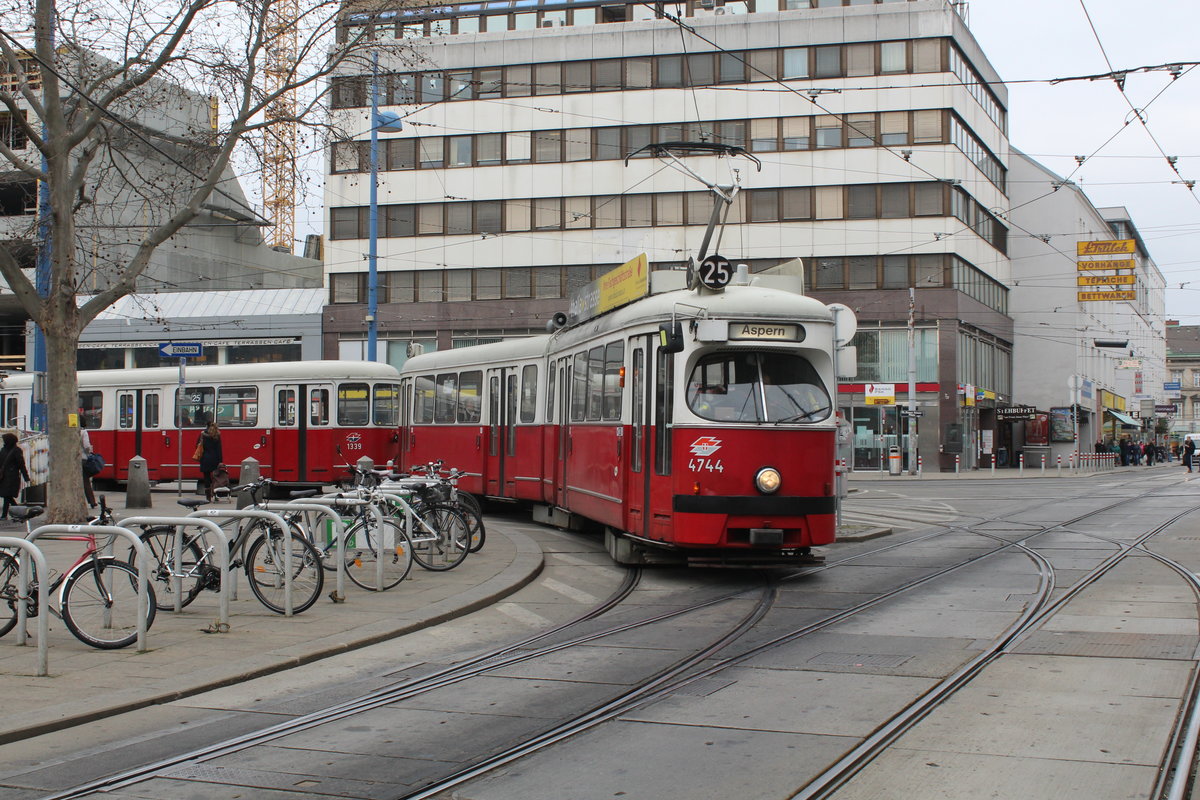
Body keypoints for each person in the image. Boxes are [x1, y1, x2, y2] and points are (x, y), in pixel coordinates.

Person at [0, 432, 30, 520]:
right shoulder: (5, 449)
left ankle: (6, 515)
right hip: (5, 477)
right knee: (7, 495)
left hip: (11, 477)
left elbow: (21, 464)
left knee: (7, 495)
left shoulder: (15, 450)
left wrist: (26, 477)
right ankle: (17, 512)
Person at [196, 419, 223, 501]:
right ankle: (215, 495)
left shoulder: (202, 435)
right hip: (215, 459)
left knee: (206, 477)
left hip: (205, 459)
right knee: (215, 478)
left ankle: (208, 497)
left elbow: (197, 445)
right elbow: (219, 449)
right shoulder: (217, 435)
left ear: (206, 426)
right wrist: (220, 461)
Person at [80, 418, 97, 508]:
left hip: (74, 460)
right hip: (83, 459)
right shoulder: (83, 432)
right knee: (86, 481)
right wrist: (90, 450)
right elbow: (86, 446)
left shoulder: (72, 431)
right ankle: (92, 501)